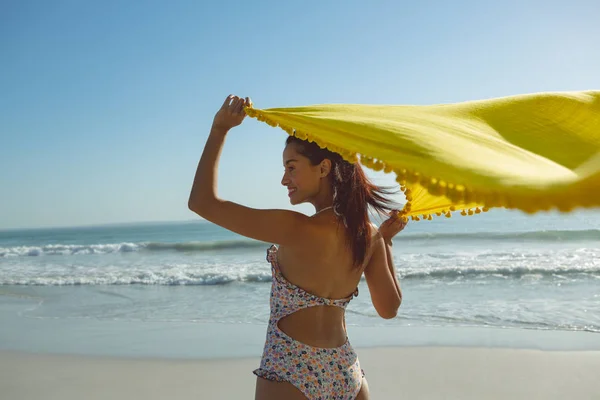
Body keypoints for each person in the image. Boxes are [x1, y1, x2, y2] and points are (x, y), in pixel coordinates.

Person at [189, 95, 407, 400]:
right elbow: (389, 309)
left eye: (291, 167)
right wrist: (387, 241)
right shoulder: (369, 235)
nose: (283, 179)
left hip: (291, 370)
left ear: (323, 168)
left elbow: (201, 202)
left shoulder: (294, 228)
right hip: (346, 371)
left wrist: (219, 130)